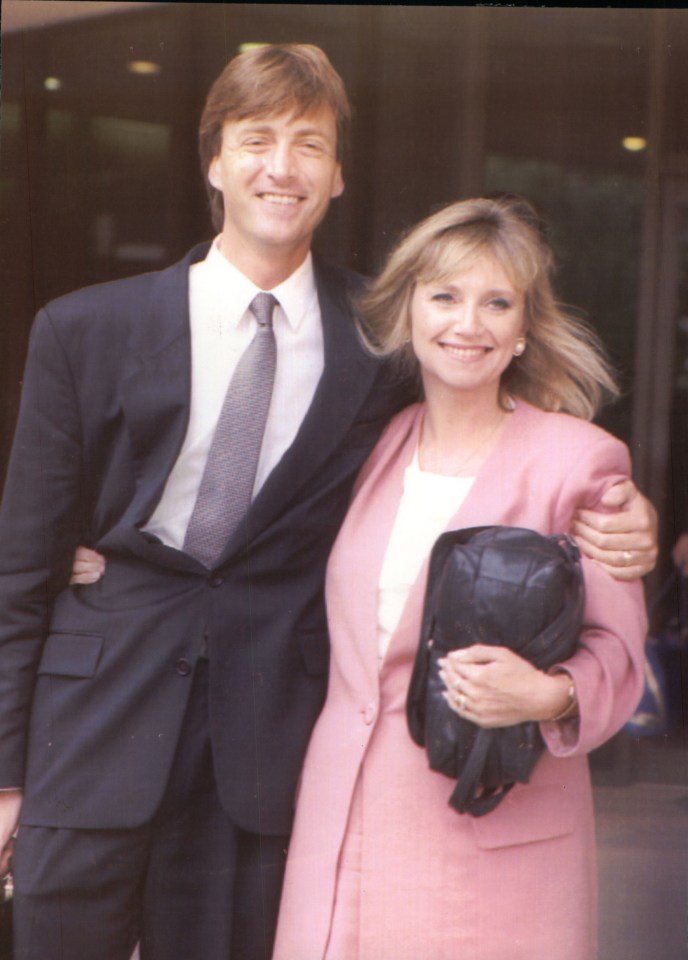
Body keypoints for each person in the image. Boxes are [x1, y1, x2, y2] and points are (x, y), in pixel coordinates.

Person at [0, 44, 654, 960]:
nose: (282, 165)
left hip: (265, 755)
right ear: (214, 163)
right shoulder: (82, 329)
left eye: (309, 143)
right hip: (93, 736)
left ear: (339, 174)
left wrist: (630, 521)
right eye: (256, 139)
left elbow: (495, 436)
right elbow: (20, 565)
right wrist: (4, 776)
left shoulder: (381, 343)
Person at [271, 197, 648, 960]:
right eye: (444, 295)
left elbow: (620, 653)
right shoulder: (372, 444)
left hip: (487, 836)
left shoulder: (579, 462)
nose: (467, 323)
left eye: (496, 302)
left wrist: (549, 694)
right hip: (343, 826)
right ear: (408, 308)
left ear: (522, 330)